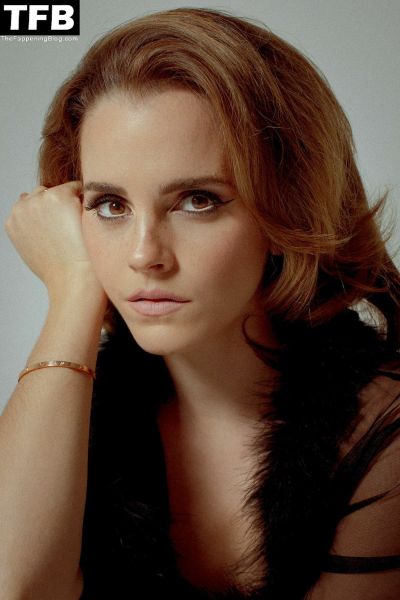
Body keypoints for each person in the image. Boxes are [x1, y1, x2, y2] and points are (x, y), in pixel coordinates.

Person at [3, 6, 400, 600]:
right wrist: (73, 293)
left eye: (197, 200)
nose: (144, 255)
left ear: (287, 210)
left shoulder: (386, 431)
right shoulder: (74, 410)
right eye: (110, 205)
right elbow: (19, 586)